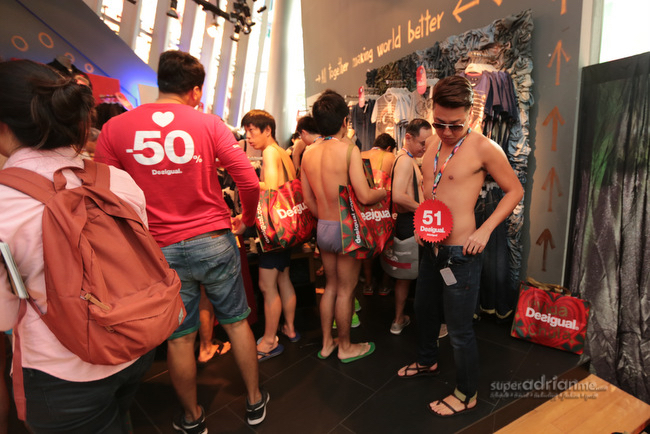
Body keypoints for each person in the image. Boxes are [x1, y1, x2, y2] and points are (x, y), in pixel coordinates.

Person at [95, 50, 268, 430]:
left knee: (178, 338)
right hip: (213, 237)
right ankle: (255, 402)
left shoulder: (115, 129)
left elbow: (104, 194)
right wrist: (247, 220)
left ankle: (192, 418)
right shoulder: (208, 124)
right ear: (194, 90)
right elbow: (249, 180)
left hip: (158, 249)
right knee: (237, 323)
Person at [0, 59, 155, 433]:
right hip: (137, 341)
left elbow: (4, 317)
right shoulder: (116, 180)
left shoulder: (6, 201)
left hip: (64, 372)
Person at [397, 76, 523, 417]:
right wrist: (424, 224)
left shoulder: (483, 147)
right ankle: (427, 362)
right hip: (430, 247)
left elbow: (515, 190)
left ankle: (467, 393)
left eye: (455, 125)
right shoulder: (432, 146)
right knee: (424, 311)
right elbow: (430, 192)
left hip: (461, 254)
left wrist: (484, 231)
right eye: (439, 123)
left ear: (470, 113)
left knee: (459, 328)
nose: (447, 131)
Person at [301, 89, 386, 363]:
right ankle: (346, 346)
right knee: (347, 291)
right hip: (346, 229)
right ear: (344, 120)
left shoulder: (307, 154)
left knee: (331, 287)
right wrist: (383, 192)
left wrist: (324, 218)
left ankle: (327, 344)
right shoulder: (349, 150)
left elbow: (308, 199)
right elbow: (363, 195)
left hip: (323, 227)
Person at [241, 109, 300, 360]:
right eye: (246, 132)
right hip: (287, 229)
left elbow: (272, 188)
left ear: (267, 130)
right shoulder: (282, 153)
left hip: (273, 232)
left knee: (267, 286)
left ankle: (268, 341)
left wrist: (248, 180)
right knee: (283, 280)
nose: (249, 137)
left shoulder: (268, 152)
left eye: (252, 131)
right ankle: (290, 328)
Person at [388, 119, 432, 334]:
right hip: (409, 222)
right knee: (416, 275)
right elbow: (397, 195)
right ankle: (419, 322)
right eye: (422, 143)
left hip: (408, 221)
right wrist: (423, 209)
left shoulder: (407, 159)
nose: (425, 147)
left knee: (405, 277)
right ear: (409, 137)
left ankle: (399, 320)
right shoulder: (405, 161)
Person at [359, 133, 396, 296]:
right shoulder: (390, 157)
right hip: (384, 208)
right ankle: (384, 285)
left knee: (367, 245)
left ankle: (368, 284)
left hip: (363, 208)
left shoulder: (360, 155)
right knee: (387, 245)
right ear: (389, 148)